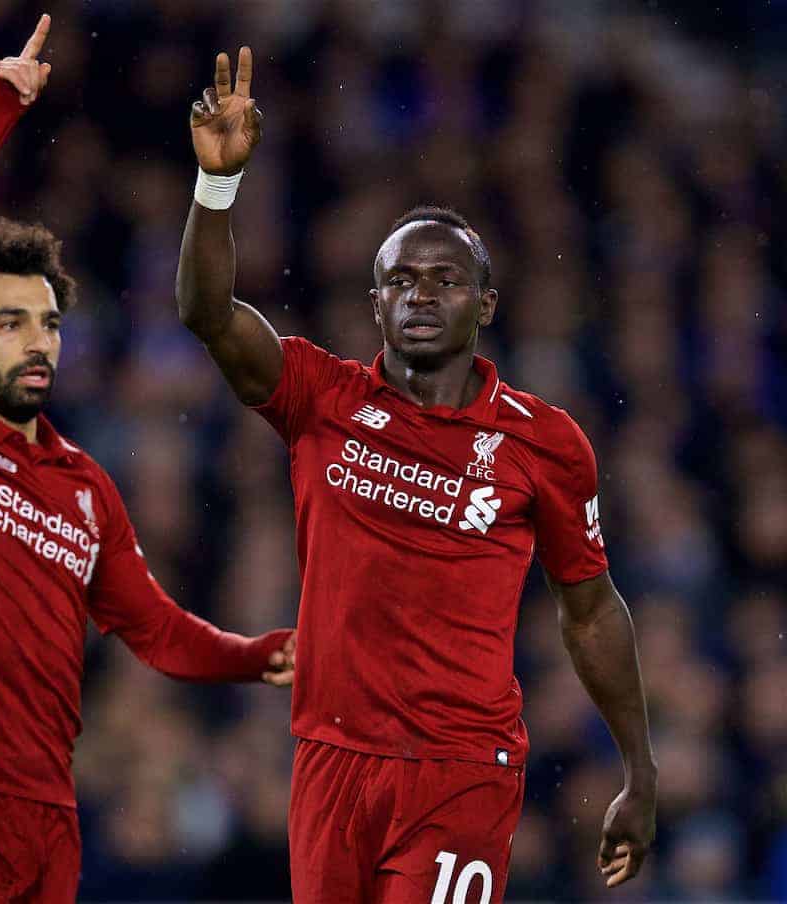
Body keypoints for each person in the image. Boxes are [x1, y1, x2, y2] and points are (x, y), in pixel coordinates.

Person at [176, 46, 657, 904]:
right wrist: (218, 187)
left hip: (460, 771)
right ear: (376, 305)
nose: (422, 294)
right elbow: (208, 314)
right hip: (330, 757)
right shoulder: (320, 396)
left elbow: (589, 609)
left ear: (486, 304)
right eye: (401, 279)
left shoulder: (544, 442)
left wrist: (637, 769)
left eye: (447, 279)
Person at [0, 19, 296, 902]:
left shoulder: (86, 486)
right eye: (8, 322)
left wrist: (261, 655)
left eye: (48, 322)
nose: (37, 341)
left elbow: (156, 630)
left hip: (50, 813)